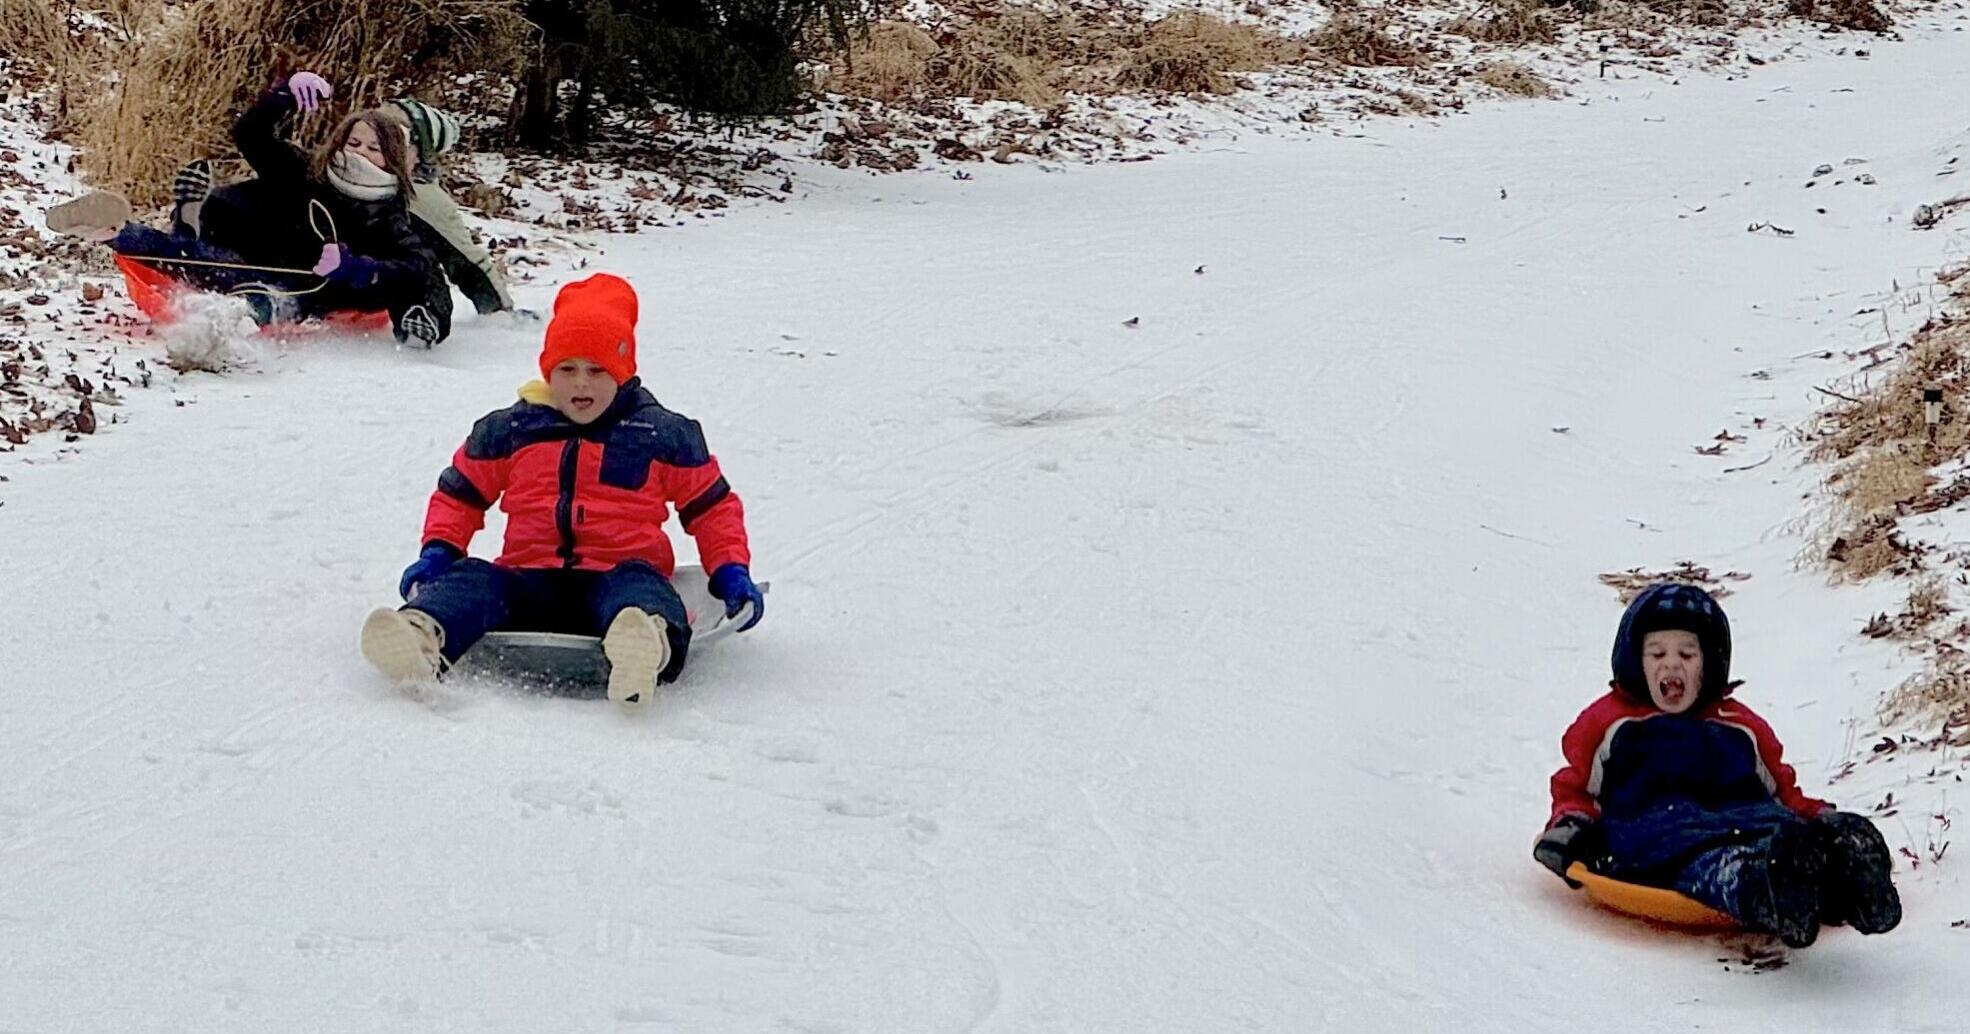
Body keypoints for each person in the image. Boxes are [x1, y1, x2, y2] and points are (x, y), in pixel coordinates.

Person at [358, 273, 765, 704]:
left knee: (643, 587)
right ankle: (420, 636)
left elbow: (712, 508)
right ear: (548, 370)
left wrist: (729, 570)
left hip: (618, 576)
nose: (581, 384)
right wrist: (438, 550)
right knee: (476, 578)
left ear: (623, 372)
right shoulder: (514, 429)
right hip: (529, 578)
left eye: (597, 370)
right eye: (566, 369)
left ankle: (645, 645)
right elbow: (460, 493)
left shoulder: (659, 434)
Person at [1533, 583, 1901, 947]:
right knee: (1726, 867)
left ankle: (1850, 875)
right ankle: (1766, 894)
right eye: (1657, 654)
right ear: (1634, 661)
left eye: (1688, 655)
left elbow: (1781, 792)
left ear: (1710, 663)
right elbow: (1577, 787)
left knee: (1792, 846)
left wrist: (1817, 816)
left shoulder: (1740, 725)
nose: (1672, 664)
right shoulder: (1611, 723)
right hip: (1666, 839)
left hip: (1753, 824)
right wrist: (1570, 827)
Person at [46, 70, 451, 346]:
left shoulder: (388, 212)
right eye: (353, 143)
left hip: (306, 285)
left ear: (393, 160)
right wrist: (282, 95)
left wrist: (357, 267)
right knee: (207, 262)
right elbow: (251, 135)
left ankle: (217, 315)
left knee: (245, 283)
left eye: (373, 148)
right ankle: (114, 230)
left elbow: (415, 266)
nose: (359, 153)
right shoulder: (311, 172)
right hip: (253, 240)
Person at [382, 97, 519, 317]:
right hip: (327, 277)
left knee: (421, 269)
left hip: (378, 286)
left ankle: (421, 319)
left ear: (419, 155)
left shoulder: (423, 201)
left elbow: (466, 260)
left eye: (396, 139)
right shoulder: (338, 170)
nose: (381, 145)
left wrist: (499, 312)